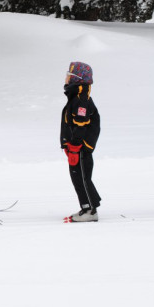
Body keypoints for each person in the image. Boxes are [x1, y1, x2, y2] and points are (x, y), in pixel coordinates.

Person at [60, 62, 101, 223]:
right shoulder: (75, 96)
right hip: (76, 147)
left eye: (69, 75)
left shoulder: (81, 98)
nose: (66, 77)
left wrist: (75, 145)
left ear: (77, 79)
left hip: (81, 147)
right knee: (77, 177)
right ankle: (86, 207)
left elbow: (81, 123)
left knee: (83, 177)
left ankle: (91, 211)